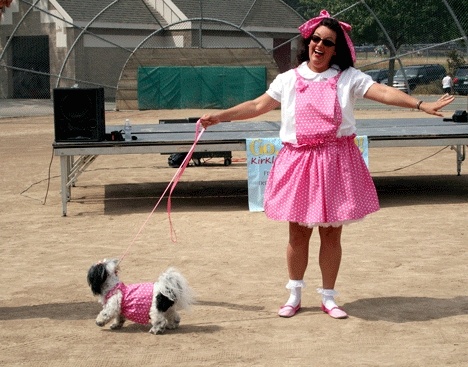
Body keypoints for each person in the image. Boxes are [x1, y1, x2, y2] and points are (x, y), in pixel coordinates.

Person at [200, 10, 454, 319]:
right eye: (316, 39)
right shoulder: (288, 80)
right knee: (297, 233)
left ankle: (329, 297)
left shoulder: (348, 78)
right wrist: (219, 116)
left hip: (336, 161)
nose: (320, 45)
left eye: (328, 42)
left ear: (336, 49)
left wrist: (419, 104)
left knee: (332, 234)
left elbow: (383, 91)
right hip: (299, 161)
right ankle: (294, 295)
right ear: (308, 42)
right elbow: (256, 105)